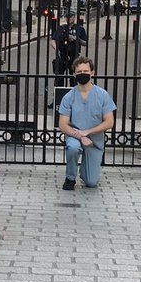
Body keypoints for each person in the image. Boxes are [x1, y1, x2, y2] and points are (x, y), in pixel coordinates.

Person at [58, 57, 116, 190]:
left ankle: (85, 171)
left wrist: (88, 132)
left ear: (92, 73)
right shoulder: (69, 97)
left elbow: (109, 122)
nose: (82, 74)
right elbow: (63, 125)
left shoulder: (102, 95)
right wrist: (81, 136)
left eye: (85, 71)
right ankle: (70, 178)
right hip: (75, 136)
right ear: (74, 74)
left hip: (94, 141)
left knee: (91, 182)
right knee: (73, 148)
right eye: (79, 72)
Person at [52, 11, 88, 89]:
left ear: (74, 17)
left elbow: (85, 43)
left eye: (71, 17)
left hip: (74, 56)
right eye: (67, 17)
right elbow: (53, 40)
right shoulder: (61, 28)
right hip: (62, 55)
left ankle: (75, 96)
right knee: (59, 78)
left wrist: (76, 39)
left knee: (74, 78)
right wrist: (56, 48)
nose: (69, 18)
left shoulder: (80, 28)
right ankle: (58, 97)